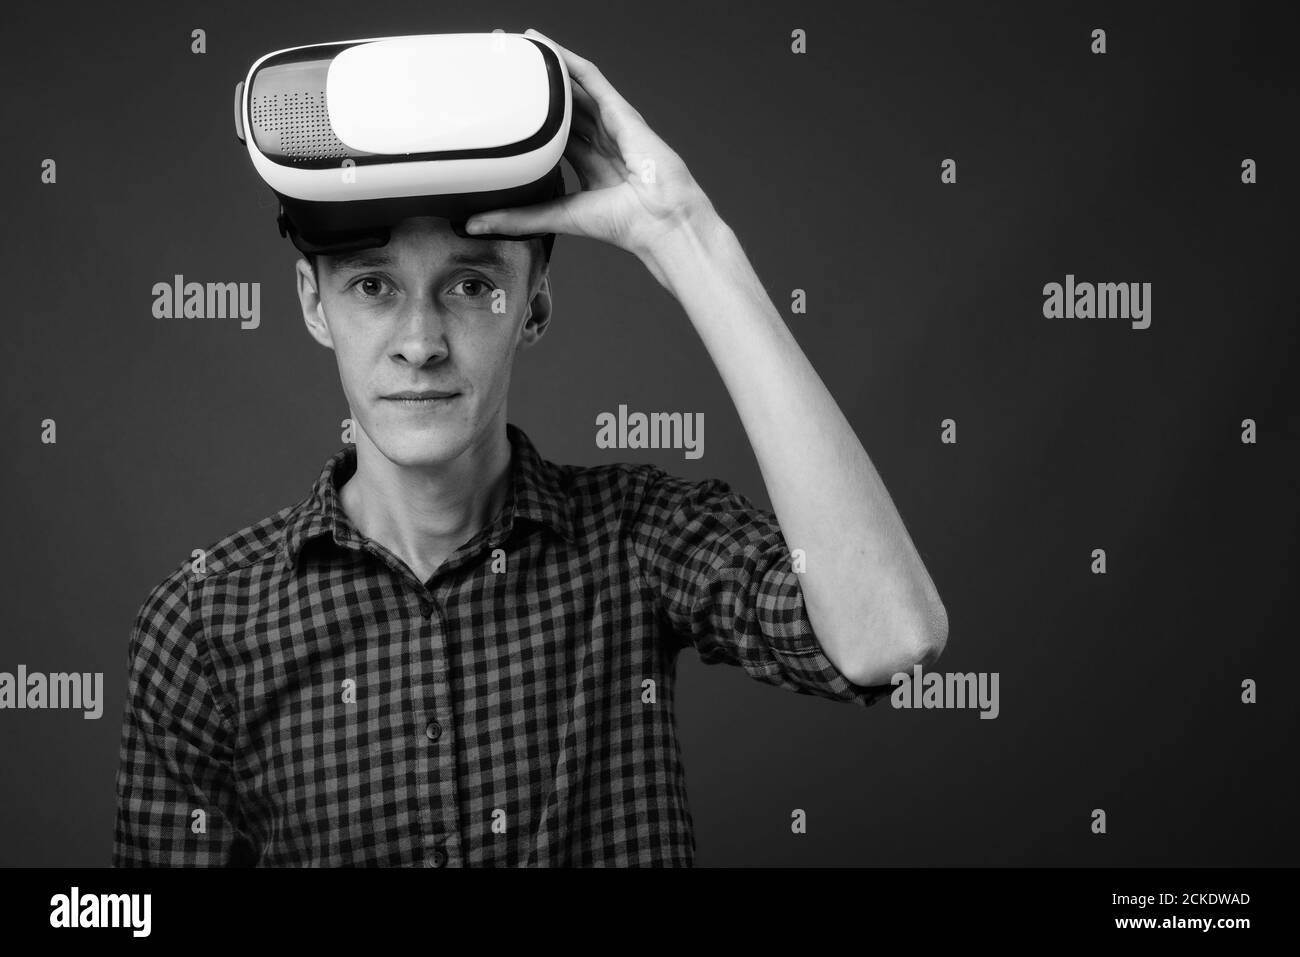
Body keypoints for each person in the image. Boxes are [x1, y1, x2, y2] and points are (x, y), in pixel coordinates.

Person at [113, 28, 948, 867]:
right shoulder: (203, 624)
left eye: (472, 285)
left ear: (533, 307)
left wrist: (684, 234)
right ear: (314, 304)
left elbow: (890, 638)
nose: (420, 341)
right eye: (373, 286)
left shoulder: (635, 537)